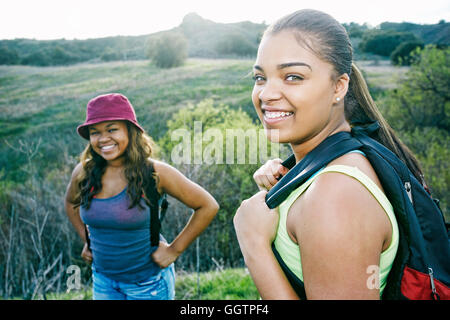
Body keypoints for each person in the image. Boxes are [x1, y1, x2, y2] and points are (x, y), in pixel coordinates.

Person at [233, 9, 427, 299]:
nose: (266, 94)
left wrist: (254, 246)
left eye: (293, 76)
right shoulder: (336, 162)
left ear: (339, 86)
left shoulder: (337, 195)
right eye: (260, 77)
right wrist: (291, 180)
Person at [65, 93, 219, 300]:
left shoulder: (155, 173)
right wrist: (88, 240)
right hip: (103, 281)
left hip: (148, 283)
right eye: (95, 132)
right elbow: (70, 203)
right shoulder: (83, 172)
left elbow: (207, 205)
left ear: (130, 131)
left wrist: (174, 250)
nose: (103, 139)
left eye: (112, 129)